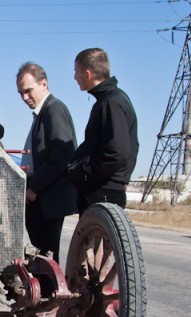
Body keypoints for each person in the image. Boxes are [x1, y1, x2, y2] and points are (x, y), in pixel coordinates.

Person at [17, 62, 77, 263]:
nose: (25, 98)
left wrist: (34, 188)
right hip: (41, 199)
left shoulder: (54, 109)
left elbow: (62, 154)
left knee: (47, 258)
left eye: (28, 91)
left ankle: (50, 292)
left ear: (43, 84)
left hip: (47, 199)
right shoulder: (42, 114)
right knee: (41, 256)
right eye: (20, 93)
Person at [68, 48, 139, 212]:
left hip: (102, 191)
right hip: (107, 189)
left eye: (76, 72)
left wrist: (85, 172)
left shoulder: (110, 102)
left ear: (87, 74)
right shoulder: (116, 98)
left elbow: (117, 152)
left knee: (90, 238)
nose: (74, 77)